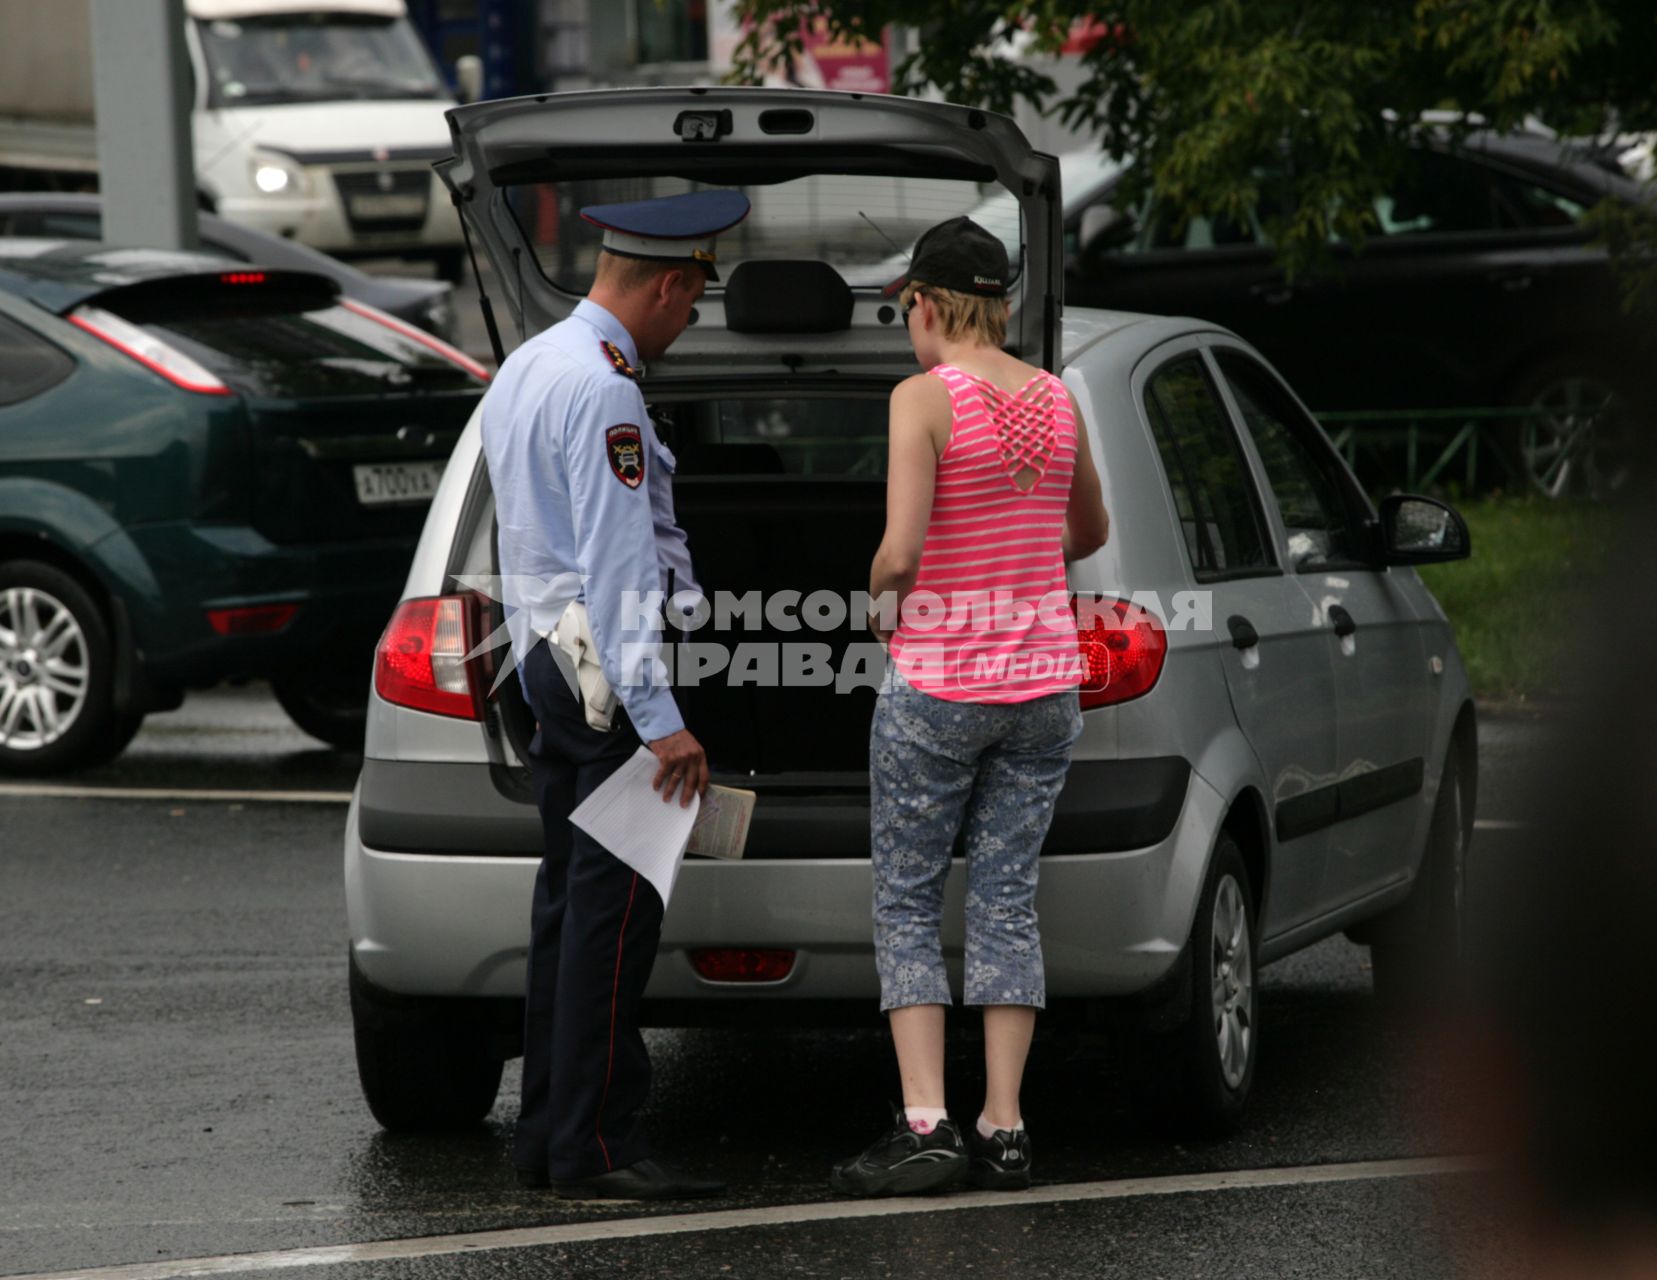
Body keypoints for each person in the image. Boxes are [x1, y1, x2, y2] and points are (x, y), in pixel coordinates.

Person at [831, 216, 1110, 1197]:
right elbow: (1090, 527)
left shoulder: (921, 399)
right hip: (1043, 689)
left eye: (906, 303)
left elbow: (901, 549)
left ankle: (924, 1123)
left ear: (930, 302)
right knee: (1002, 893)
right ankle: (1004, 1123)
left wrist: (877, 602)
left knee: (907, 894)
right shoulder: (1055, 394)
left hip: (942, 686)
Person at [480, 188, 749, 1201]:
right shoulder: (605, 393)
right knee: (612, 917)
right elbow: (621, 567)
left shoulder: (529, 363)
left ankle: (549, 1134)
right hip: (604, 668)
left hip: (550, 654)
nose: (690, 319)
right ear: (672, 280)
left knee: (567, 906)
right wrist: (664, 723)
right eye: (694, 297)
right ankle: (596, 1143)